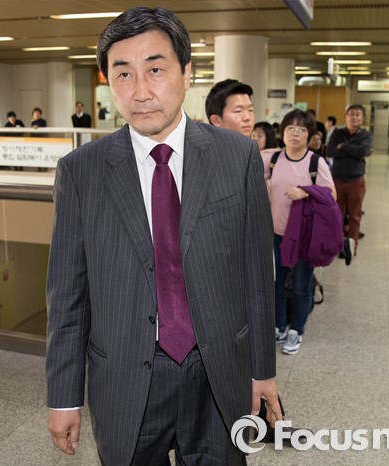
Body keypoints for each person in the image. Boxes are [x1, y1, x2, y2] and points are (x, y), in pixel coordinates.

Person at [46, 7, 281, 465]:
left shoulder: (236, 157)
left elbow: (256, 274)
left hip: (218, 371)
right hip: (126, 376)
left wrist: (262, 370)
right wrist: (63, 395)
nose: (140, 91)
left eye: (155, 69)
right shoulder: (81, 172)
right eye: (123, 74)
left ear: (186, 72)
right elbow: (68, 295)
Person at [206, 79, 312, 443]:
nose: (248, 117)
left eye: (250, 110)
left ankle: (267, 418)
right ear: (216, 120)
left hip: (253, 262)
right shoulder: (210, 160)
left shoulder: (250, 154)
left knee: (253, 349)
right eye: (238, 110)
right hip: (225, 275)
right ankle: (263, 421)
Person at [263, 109, 336, 355]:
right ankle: (279, 326)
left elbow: (331, 193)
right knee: (276, 284)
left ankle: (297, 329)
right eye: (290, 128)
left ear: (309, 135)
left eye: (301, 129)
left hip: (305, 236)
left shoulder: (316, 162)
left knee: (301, 287)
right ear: (282, 132)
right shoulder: (274, 159)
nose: (295, 133)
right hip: (276, 234)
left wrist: (306, 191)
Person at [326, 104, 372, 265]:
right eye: (351, 114)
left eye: (358, 115)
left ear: (362, 118)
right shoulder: (337, 133)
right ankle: (338, 245)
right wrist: (353, 151)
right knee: (337, 215)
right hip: (337, 180)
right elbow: (330, 151)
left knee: (354, 216)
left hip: (356, 181)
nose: (354, 117)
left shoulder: (366, 135)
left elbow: (363, 151)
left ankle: (352, 246)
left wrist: (343, 147)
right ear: (346, 117)